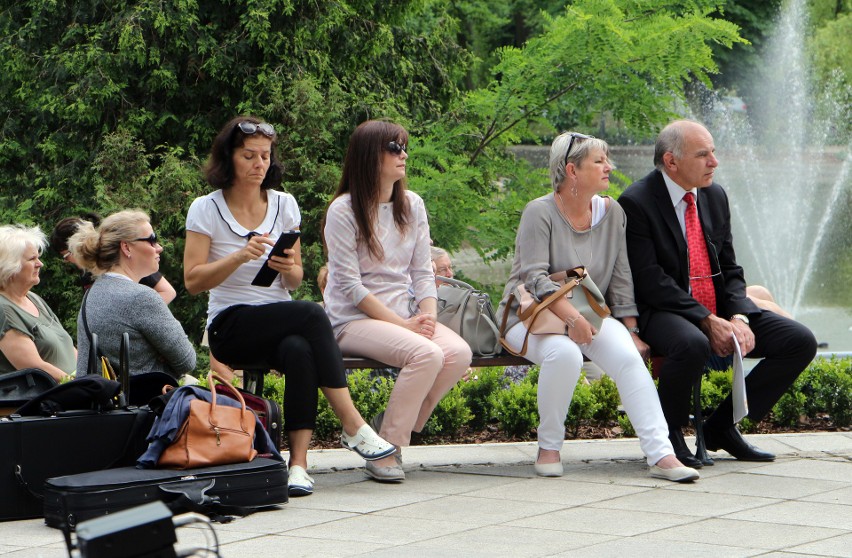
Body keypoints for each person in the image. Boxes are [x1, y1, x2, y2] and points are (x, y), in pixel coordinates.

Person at [184, 116, 394, 496]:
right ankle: (352, 424)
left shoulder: (284, 204)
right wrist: (238, 257)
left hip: (278, 316)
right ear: (229, 158)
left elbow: (295, 280)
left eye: (264, 156)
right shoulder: (206, 208)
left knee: (299, 349)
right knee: (313, 313)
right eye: (249, 155)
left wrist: (288, 267)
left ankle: (297, 465)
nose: (258, 164)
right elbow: (192, 280)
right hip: (229, 325)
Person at [497, 132, 698, 483]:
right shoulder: (539, 211)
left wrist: (632, 331)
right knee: (566, 355)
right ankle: (549, 448)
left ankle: (661, 453)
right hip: (529, 317)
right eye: (599, 161)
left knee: (627, 358)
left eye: (607, 159)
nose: (609, 166)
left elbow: (621, 278)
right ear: (572, 170)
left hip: (589, 315)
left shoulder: (612, 212)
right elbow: (533, 278)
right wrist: (572, 319)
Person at [618, 120, 817, 467]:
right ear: (671, 161)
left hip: (717, 307)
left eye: (713, 152)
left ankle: (721, 427)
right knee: (691, 342)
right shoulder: (636, 202)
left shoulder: (714, 195)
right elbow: (650, 281)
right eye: (703, 154)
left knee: (799, 340)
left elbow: (731, 269)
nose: (714, 161)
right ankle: (670, 435)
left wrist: (738, 316)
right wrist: (706, 320)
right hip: (663, 310)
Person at [323, 120, 473, 483]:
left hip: (405, 316)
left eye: (404, 147)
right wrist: (404, 325)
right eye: (394, 148)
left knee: (458, 353)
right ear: (369, 156)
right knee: (427, 353)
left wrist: (428, 315)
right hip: (351, 321)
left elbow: (423, 272)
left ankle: (383, 432)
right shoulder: (343, 211)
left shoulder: (413, 205)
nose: (403, 154)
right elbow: (350, 286)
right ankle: (388, 446)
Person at [68, 210, 195, 380]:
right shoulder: (141, 297)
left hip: (101, 403)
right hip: (146, 404)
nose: (159, 248)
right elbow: (187, 361)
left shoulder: (92, 293)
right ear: (126, 247)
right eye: (152, 240)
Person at [0, 225, 76, 380]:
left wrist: (93, 374)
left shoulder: (34, 298)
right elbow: (34, 367)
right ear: (9, 266)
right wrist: (78, 386)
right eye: (32, 259)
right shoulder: (3, 309)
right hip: (45, 400)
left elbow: (67, 348)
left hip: (73, 396)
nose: (40, 264)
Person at [51, 215, 177, 304]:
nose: (68, 261)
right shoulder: (86, 276)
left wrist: (138, 318)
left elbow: (167, 291)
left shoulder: (122, 260)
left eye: (67, 255)